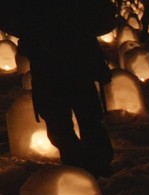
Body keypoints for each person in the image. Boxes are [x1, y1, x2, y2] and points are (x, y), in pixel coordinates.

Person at [0, 0, 115, 176]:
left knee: (77, 121)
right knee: (75, 121)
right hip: (64, 63)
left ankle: (87, 167)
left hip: (59, 64)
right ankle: (86, 167)